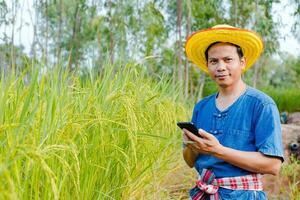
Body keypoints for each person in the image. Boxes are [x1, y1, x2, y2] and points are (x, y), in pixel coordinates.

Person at [183, 24, 284, 200]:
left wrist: (218, 150)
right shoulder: (201, 107)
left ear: (242, 62)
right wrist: (192, 147)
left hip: (244, 195)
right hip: (204, 193)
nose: (220, 67)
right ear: (207, 65)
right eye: (214, 61)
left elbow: (273, 165)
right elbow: (190, 161)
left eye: (228, 59)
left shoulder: (261, 105)